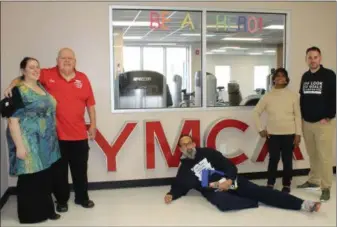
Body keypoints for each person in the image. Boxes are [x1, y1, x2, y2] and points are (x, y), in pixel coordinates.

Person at [4, 48, 97, 212]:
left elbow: (90, 104)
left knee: (80, 170)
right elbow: (23, 77)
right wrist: (11, 87)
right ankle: (61, 201)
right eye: (63, 58)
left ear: (75, 61)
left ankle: (82, 198)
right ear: (57, 60)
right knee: (58, 173)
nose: (67, 61)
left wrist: (93, 125)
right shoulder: (47, 74)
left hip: (78, 135)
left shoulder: (83, 78)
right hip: (56, 136)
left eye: (70, 58)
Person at [164, 135, 321, 213]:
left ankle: (303, 204)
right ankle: (254, 202)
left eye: (189, 143)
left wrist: (229, 180)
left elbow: (229, 165)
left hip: (230, 180)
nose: (188, 147)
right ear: (180, 149)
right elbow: (180, 186)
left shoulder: (209, 153)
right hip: (213, 190)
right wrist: (171, 194)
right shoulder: (184, 169)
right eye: (184, 145)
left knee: (260, 191)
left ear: (194, 143)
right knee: (223, 204)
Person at [5, 57, 61, 223]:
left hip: (46, 140)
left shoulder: (40, 86)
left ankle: (47, 209)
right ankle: (30, 215)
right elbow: (12, 120)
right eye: (31, 67)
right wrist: (19, 147)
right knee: (30, 176)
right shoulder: (18, 90)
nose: (36, 70)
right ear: (23, 71)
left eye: (37, 67)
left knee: (44, 175)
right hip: (28, 140)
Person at [253, 68, 302, 193]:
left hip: (289, 134)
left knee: (287, 160)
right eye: (277, 76)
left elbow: (297, 115)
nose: (280, 78)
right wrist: (260, 129)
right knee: (273, 159)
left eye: (283, 76)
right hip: (273, 134)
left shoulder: (293, 96)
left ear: (286, 79)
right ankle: (270, 183)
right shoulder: (267, 96)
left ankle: (286, 184)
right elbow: (256, 112)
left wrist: (298, 134)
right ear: (273, 79)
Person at [297, 46, 336, 202]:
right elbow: (303, 98)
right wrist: (302, 117)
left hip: (323, 123)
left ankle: (326, 187)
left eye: (315, 57)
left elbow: (334, 96)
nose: (312, 60)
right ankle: (313, 180)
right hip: (307, 122)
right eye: (310, 57)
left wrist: (329, 116)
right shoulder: (305, 76)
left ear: (320, 58)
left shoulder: (329, 75)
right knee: (312, 154)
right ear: (306, 59)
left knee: (324, 156)